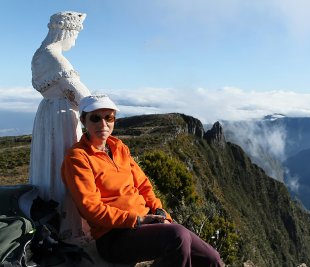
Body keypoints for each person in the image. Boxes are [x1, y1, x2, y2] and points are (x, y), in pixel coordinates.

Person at [61, 94, 224, 266]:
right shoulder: (78, 158)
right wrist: (137, 220)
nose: (103, 124)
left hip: (145, 221)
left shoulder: (119, 148)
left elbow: (143, 185)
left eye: (109, 117)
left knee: (212, 258)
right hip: (113, 236)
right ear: (83, 121)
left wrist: (160, 211)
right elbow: (91, 209)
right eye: (95, 118)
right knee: (177, 237)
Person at [30, 11, 91, 239]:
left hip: (47, 115)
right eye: (74, 35)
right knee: (62, 166)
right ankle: (64, 227)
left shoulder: (39, 54)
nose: (74, 41)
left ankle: (46, 221)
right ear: (65, 31)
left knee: (48, 165)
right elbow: (80, 94)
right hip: (61, 116)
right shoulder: (54, 57)